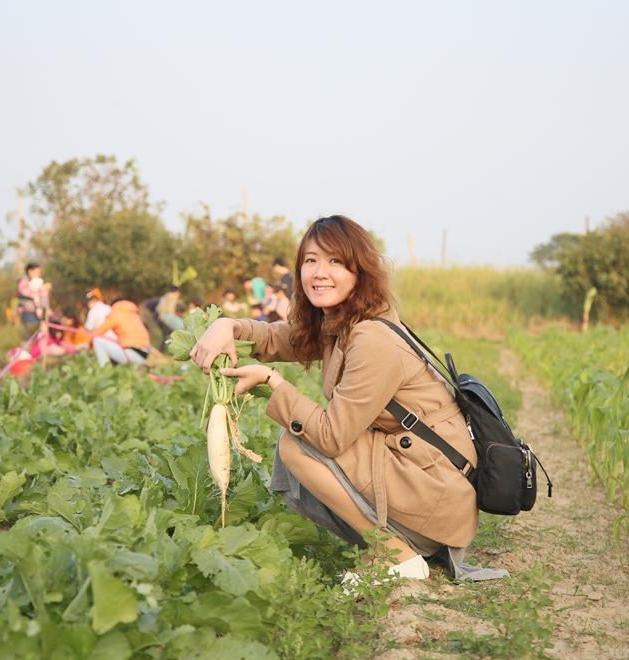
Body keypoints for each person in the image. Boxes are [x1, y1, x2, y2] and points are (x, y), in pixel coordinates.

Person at [190, 215, 501, 582]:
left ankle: (396, 557)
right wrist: (229, 325)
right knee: (300, 439)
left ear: (360, 271)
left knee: (296, 444)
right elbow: (281, 337)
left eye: (335, 261)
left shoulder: (372, 339)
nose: (320, 272)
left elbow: (332, 436)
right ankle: (397, 547)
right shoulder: (343, 323)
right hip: (424, 477)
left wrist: (273, 381)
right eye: (310, 260)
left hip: (435, 489)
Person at [91, 297, 151, 367]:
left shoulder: (117, 314)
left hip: (131, 355)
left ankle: (105, 369)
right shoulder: (133, 315)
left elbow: (98, 332)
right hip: (143, 356)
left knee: (98, 340)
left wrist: (86, 344)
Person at [17, 264, 44, 336]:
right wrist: (44, 289)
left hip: (38, 312)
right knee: (31, 333)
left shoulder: (36, 282)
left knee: (39, 333)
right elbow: (31, 294)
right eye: (37, 272)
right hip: (28, 311)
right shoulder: (23, 281)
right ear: (30, 271)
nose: (39, 274)